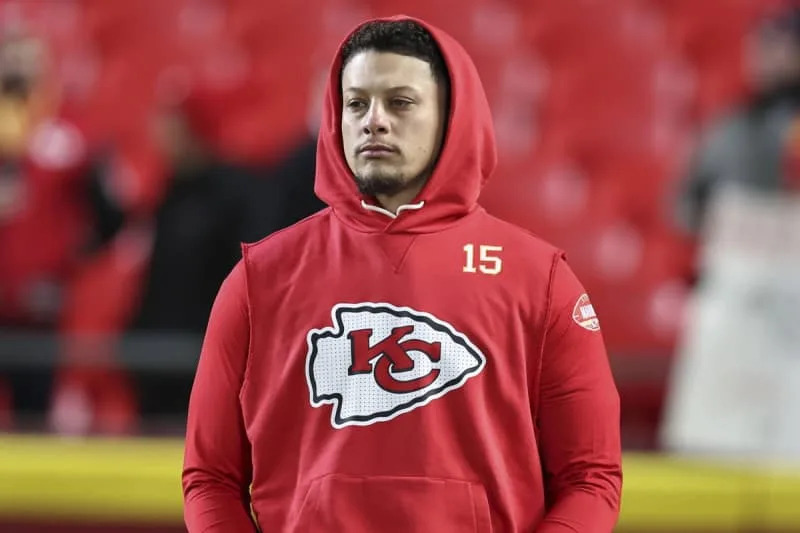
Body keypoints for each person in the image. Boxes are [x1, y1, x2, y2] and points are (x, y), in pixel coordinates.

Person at [182, 16, 622, 532]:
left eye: (401, 102)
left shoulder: (541, 281)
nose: (374, 121)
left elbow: (590, 479)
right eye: (356, 103)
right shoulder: (258, 281)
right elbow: (209, 477)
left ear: (450, 117)